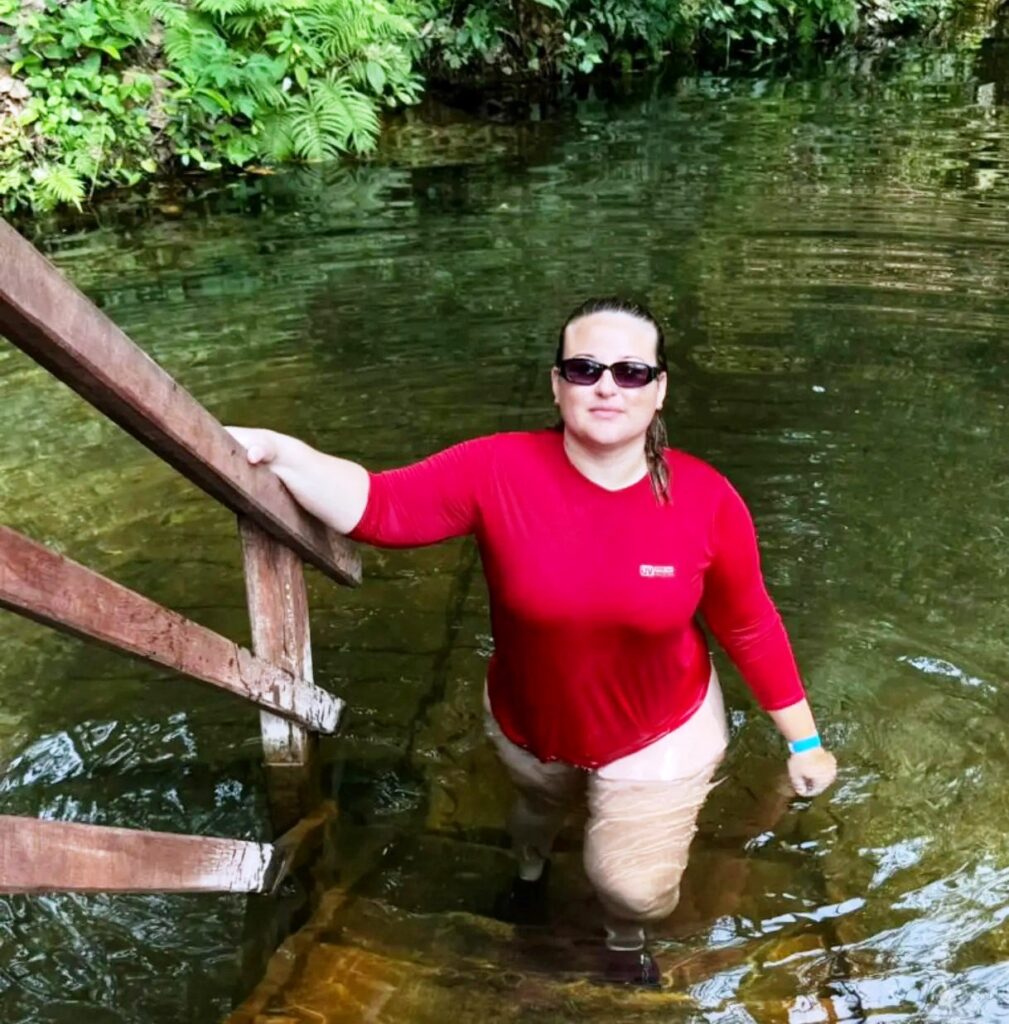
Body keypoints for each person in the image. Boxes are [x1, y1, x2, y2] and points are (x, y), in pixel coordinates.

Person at [227, 297, 838, 987]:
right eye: (585, 368)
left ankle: (622, 939)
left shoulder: (705, 498)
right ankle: (528, 876)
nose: (607, 385)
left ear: (659, 389)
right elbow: (380, 506)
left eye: (631, 372)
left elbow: (747, 621)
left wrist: (805, 742)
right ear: (556, 385)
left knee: (633, 887)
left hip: (661, 726)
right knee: (533, 817)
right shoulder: (497, 469)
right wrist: (283, 453)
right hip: (527, 717)